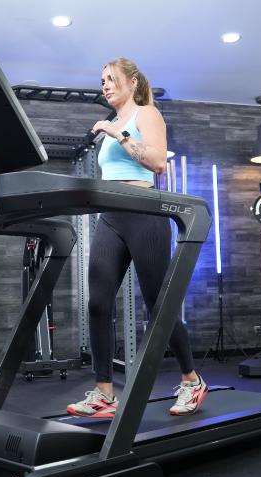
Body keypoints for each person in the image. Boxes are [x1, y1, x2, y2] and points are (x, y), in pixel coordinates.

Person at [66, 58, 208, 419]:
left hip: (144, 213)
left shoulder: (146, 115)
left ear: (132, 81)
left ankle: (192, 380)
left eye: (111, 79)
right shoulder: (112, 121)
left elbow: (158, 163)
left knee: (159, 306)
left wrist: (120, 135)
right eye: (101, 81)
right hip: (111, 217)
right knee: (97, 302)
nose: (105, 85)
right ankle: (103, 393)